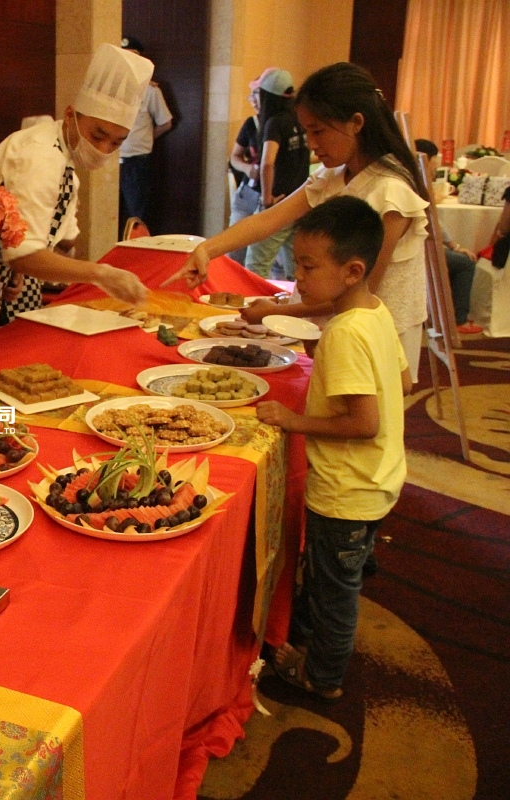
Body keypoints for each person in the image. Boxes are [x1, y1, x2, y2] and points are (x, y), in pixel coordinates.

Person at [164, 62, 429, 383]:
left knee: (368, 408)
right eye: (307, 132)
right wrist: (207, 249)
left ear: (356, 123)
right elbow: (270, 219)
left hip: (376, 332)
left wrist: (278, 312)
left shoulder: (391, 192)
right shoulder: (334, 176)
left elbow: (363, 289)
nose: (311, 144)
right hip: (339, 325)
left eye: (318, 131)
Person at [256, 195, 410, 702]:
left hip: (345, 491)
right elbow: (403, 382)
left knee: (333, 592)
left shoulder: (345, 333)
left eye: (307, 267)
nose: (297, 278)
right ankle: (315, 631)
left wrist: (292, 420)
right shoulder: (375, 311)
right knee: (341, 571)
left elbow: (364, 423)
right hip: (380, 478)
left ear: (352, 270)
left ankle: (322, 677)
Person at [0, 43, 151, 335]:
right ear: (70, 115)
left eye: (116, 142)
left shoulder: (65, 160)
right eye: (97, 135)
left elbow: (56, 240)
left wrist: (22, 268)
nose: (103, 149)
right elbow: (24, 253)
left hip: (6, 278)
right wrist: (102, 274)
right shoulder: (39, 155)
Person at [244, 69, 309, 279]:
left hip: (279, 205)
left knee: (256, 266)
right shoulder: (299, 120)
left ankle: (255, 301)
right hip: (299, 203)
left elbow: (267, 163)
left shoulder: (275, 123)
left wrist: (266, 200)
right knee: (295, 268)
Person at [413, 138, 480, 332]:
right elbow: (433, 222)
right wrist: (454, 246)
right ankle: (459, 320)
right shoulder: (418, 183)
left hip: (418, 244)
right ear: (427, 159)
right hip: (420, 248)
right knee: (465, 263)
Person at [116, 36, 173, 226]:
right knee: (107, 215)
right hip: (109, 161)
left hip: (136, 162)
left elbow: (165, 123)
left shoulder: (150, 90)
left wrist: (147, 138)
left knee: (137, 217)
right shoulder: (110, 87)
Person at [227, 70, 274, 263]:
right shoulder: (251, 124)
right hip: (249, 193)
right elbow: (234, 157)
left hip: (274, 198)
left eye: (257, 95)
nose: (253, 100)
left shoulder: (282, 123)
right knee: (235, 251)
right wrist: (248, 169)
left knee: (267, 259)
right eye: (251, 96)